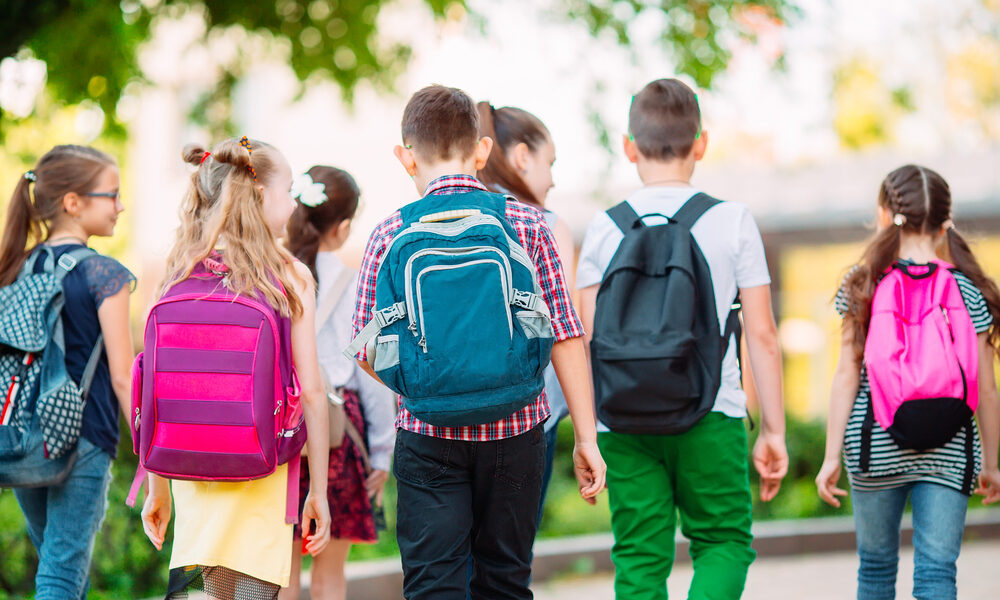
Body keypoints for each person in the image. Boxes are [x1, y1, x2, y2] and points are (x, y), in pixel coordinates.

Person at [350, 84, 606, 600]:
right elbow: (565, 334)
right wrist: (586, 438)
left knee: (433, 584)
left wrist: (422, 384)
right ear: (482, 151)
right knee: (505, 581)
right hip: (518, 431)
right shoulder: (528, 224)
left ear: (406, 157)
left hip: (427, 434)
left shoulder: (386, 235)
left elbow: (365, 347)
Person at [576, 78, 788, 600]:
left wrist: (585, 433)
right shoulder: (732, 221)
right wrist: (773, 432)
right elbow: (761, 334)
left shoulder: (604, 228)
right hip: (711, 409)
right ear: (701, 143)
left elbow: (584, 340)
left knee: (640, 557)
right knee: (723, 543)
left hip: (621, 419)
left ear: (629, 147)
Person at [139, 138, 332, 599]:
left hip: (190, 474)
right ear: (262, 195)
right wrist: (318, 491)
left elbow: (160, 384)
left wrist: (157, 487)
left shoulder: (178, 272)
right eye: (288, 190)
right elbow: (311, 393)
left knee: (213, 596)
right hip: (259, 472)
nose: (292, 203)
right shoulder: (287, 275)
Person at [815, 164, 1000, 600]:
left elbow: (846, 376)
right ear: (945, 223)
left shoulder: (862, 285)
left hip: (873, 444)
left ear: (883, 214)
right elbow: (987, 389)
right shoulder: (967, 289)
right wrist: (991, 463)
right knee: (937, 574)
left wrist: (829, 457)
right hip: (950, 448)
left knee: (876, 571)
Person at [0, 145, 135, 599]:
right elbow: (123, 378)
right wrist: (151, 458)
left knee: (55, 566)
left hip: (22, 438)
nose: (120, 206)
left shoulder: (16, 266)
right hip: (83, 439)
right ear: (74, 202)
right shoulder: (104, 275)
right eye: (111, 195)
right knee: (61, 574)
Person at [280, 166, 395, 600]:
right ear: (343, 227)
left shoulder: (272, 272)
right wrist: (382, 451)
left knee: (282, 572)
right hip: (337, 432)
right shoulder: (355, 284)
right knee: (330, 575)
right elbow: (373, 373)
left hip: (282, 430)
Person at [475, 101, 574, 525]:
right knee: (508, 561)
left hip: (446, 417)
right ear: (521, 156)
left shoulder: (450, 214)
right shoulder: (546, 225)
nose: (552, 178)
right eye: (549, 162)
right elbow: (567, 333)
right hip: (529, 416)